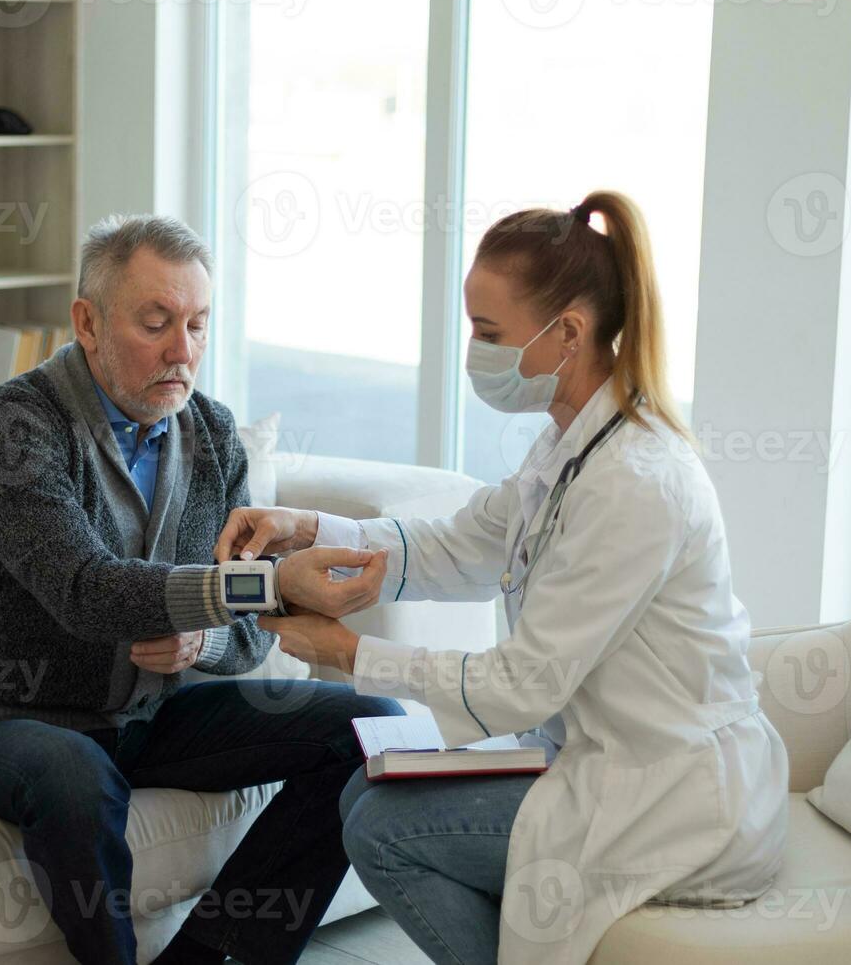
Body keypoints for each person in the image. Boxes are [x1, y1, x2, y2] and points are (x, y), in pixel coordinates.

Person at [216, 191, 790, 965]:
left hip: (673, 798)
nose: (473, 353)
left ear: (569, 334)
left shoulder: (635, 481)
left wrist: (350, 652)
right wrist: (307, 526)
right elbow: (465, 541)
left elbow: (522, 686)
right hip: (604, 761)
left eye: (489, 333)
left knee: (383, 825)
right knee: (368, 795)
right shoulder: (572, 447)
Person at [0, 215, 404, 965]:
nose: (184, 351)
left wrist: (204, 638)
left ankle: (213, 956)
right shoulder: (16, 428)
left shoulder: (211, 433)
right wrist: (252, 585)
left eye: (198, 325)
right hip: (7, 718)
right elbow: (84, 589)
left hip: (149, 717)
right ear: (88, 322)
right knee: (72, 772)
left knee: (374, 725)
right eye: (156, 323)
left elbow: (252, 627)